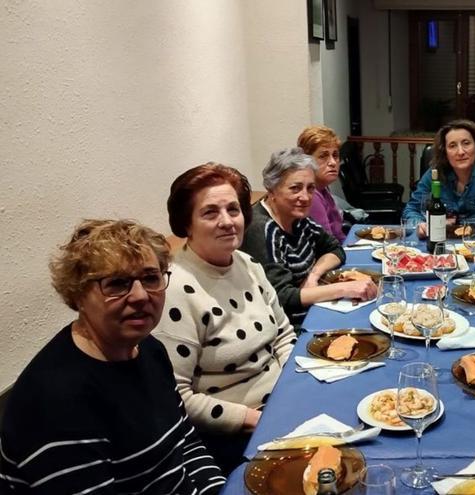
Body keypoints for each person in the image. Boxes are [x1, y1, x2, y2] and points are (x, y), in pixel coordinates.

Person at [0, 219, 225, 493]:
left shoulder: (150, 349)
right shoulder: (53, 399)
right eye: (117, 284)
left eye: (151, 277)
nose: (140, 295)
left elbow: (186, 442)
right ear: (78, 294)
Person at [155, 163, 297, 472]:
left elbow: (284, 334)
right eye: (209, 213)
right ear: (186, 224)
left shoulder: (247, 264)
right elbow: (178, 397)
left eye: (233, 210)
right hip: (235, 436)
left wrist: (294, 390)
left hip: (282, 405)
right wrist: (257, 420)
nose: (227, 222)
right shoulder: (175, 288)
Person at [241, 147, 377, 323]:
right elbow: (282, 297)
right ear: (272, 190)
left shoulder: (297, 218)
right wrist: (344, 289)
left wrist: (313, 276)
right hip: (290, 327)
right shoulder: (262, 229)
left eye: (310, 188)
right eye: (295, 188)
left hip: (313, 309)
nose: (305, 197)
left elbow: (335, 248)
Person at [402, 119, 475, 234]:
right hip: (442, 239)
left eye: (466, 143)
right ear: (445, 152)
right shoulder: (435, 173)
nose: (460, 152)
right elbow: (411, 209)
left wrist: (458, 222)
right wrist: (420, 224)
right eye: (452, 146)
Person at [298, 125, 346, 242]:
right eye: (323, 156)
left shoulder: (323, 188)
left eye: (335, 155)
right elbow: (328, 245)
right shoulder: (312, 196)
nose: (333, 162)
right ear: (307, 161)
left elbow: (339, 235)